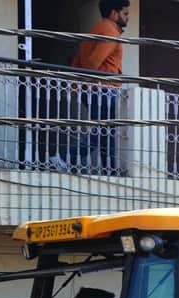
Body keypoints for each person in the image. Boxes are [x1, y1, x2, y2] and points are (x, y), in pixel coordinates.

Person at [70, 0, 129, 172]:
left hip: (94, 89)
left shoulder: (95, 29)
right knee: (105, 130)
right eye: (125, 13)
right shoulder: (110, 31)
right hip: (103, 89)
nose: (127, 18)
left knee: (106, 132)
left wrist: (77, 85)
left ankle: (109, 169)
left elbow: (78, 61)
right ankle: (66, 157)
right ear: (114, 13)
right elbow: (92, 63)